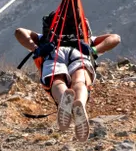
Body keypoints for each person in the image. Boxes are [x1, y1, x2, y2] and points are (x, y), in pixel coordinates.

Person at [15, 12, 120, 140]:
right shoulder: (85, 39)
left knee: (57, 82)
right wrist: (94, 50)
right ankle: (79, 104)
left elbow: (19, 32)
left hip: (53, 53)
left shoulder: (47, 38)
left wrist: (36, 48)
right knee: (79, 82)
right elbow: (115, 38)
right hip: (79, 53)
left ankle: (63, 98)